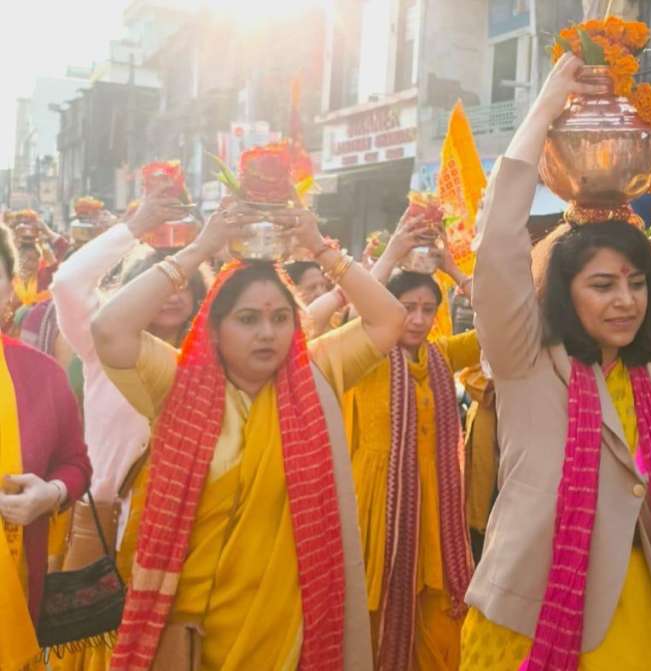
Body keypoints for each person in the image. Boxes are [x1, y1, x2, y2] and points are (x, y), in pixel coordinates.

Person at [460, 54, 651, 670]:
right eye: (602, 285)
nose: (624, 301)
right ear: (564, 292)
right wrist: (545, 109)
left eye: (635, 283)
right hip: (533, 622)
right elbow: (495, 247)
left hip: (649, 618)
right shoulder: (525, 363)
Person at [92, 199, 406, 670]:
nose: (267, 333)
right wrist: (200, 248)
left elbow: (389, 321)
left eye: (280, 318)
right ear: (215, 329)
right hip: (194, 642)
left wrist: (321, 248)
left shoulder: (317, 375)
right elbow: (109, 328)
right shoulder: (180, 385)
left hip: (291, 634)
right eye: (248, 319)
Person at [48, 195, 206, 671]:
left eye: (185, 281)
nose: (174, 292)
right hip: (101, 523)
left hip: (182, 533)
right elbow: (68, 282)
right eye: (163, 278)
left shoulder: (212, 363)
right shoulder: (102, 345)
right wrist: (134, 227)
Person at [346, 223, 477, 671]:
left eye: (426, 309)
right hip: (379, 509)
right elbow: (347, 312)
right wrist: (388, 259)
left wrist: (455, 271)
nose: (417, 319)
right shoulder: (363, 357)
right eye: (406, 309)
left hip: (436, 511)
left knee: (438, 614)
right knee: (374, 612)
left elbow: (506, 324)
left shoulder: (442, 356)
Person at [0, 223, 92, 671]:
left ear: (9, 291)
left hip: (17, 597)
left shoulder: (42, 375)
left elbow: (76, 464)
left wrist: (49, 496)